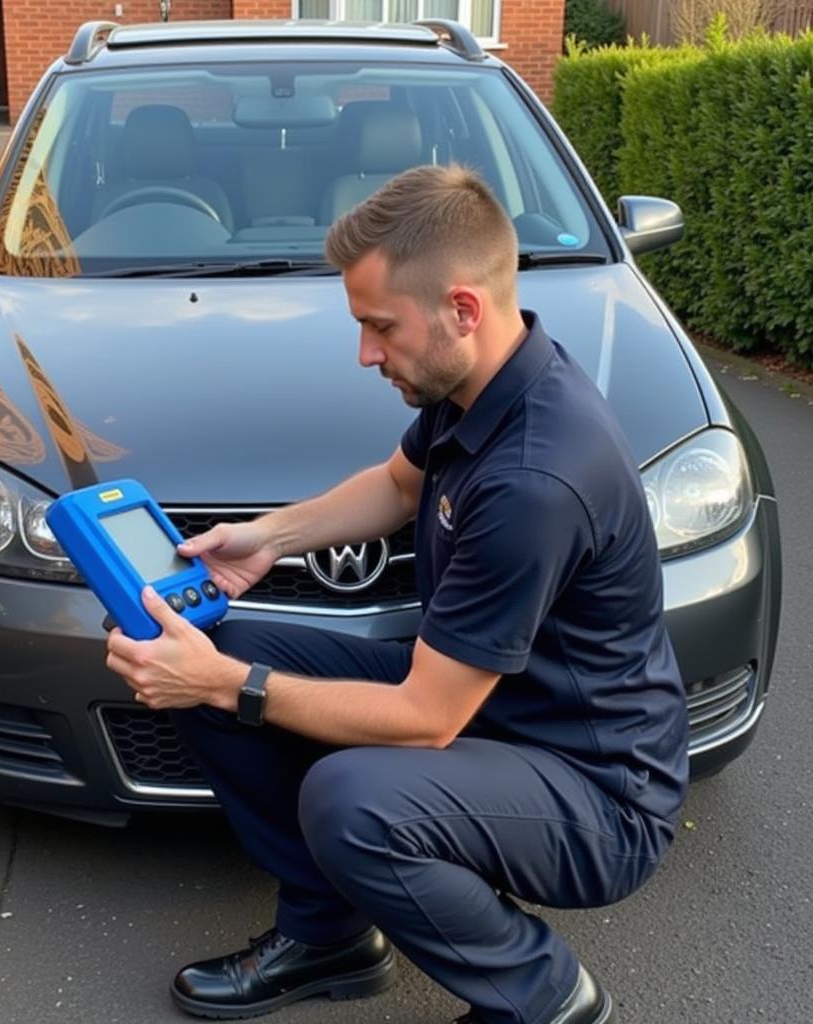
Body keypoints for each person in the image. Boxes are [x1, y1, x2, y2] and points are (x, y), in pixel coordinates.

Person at [104, 164, 689, 1024]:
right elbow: (399, 486)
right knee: (211, 643)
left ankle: (544, 998)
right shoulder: (482, 382)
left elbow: (427, 720)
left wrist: (228, 689)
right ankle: (328, 934)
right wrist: (267, 537)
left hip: (597, 791)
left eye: (380, 327)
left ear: (462, 308)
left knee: (349, 801)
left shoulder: (536, 477)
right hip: (496, 713)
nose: (365, 353)